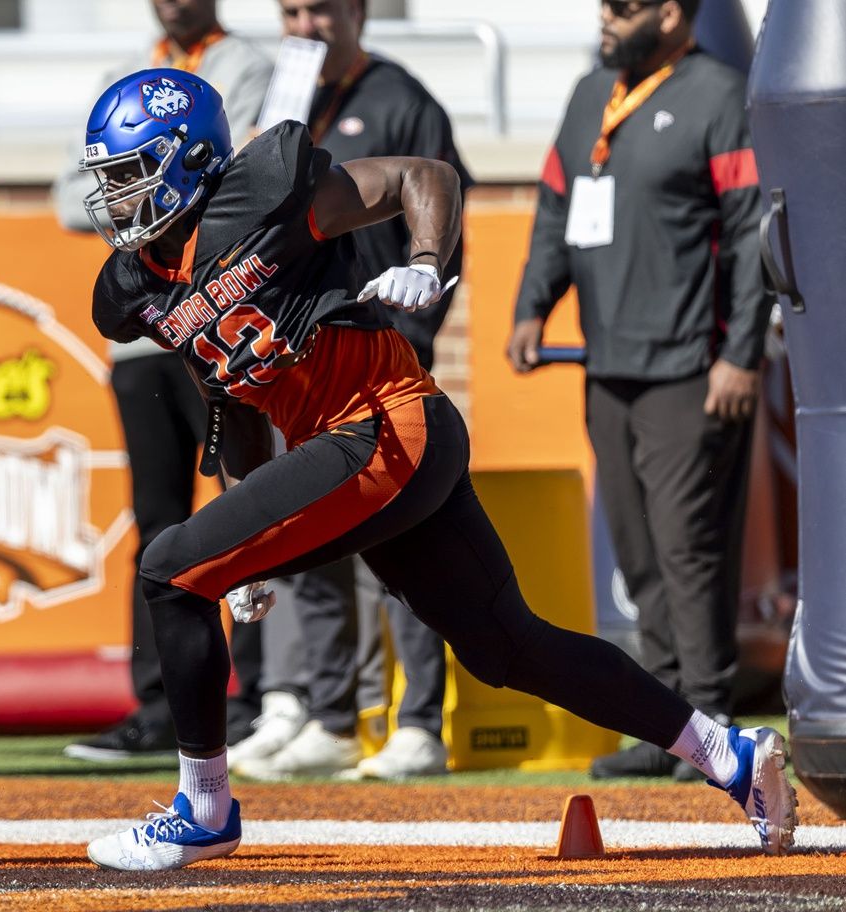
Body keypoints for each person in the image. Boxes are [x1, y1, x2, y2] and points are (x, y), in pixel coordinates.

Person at [74, 66, 794, 872]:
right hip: (377, 445)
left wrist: (424, 257)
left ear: (192, 159)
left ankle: (203, 810)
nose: (117, 199)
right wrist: (242, 527)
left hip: (382, 426)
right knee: (506, 648)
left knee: (168, 572)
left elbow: (424, 174)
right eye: (110, 180)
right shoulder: (138, 287)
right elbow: (234, 390)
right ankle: (729, 754)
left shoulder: (265, 191)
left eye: (131, 175)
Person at [508, 0, 769, 781]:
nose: (605, 20)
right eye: (602, 8)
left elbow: (753, 228)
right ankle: (666, 727)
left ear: (669, 13)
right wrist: (530, 304)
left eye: (622, 9)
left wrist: (742, 355)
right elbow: (555, 208)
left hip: (691, 365)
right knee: (638, 550)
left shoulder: (718, 95)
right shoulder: (591, 95)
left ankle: (712, 718)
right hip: (607, 364)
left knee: (689, 547)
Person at [231, 0, 472, 781]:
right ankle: (329, 715)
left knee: (398, 543)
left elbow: (436, 197)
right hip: (298, 361)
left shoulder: (400, 97)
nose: (308, 25)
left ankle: (416, 723)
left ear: (358, 13)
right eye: (293, 10)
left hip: (382, 351)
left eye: (323, 9)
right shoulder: (280, 104)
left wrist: (425, 286)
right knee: (312, 535)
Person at [53, 0, 273, 761]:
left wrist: (154, 185)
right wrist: (140, 187)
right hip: (149, 324)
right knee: (157, 519)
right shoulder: (123, 75)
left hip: (216, 306)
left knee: (245, 498)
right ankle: (162, 700)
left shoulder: (242, 65)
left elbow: (237, 172)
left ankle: (262, 692)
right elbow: (68, 193)